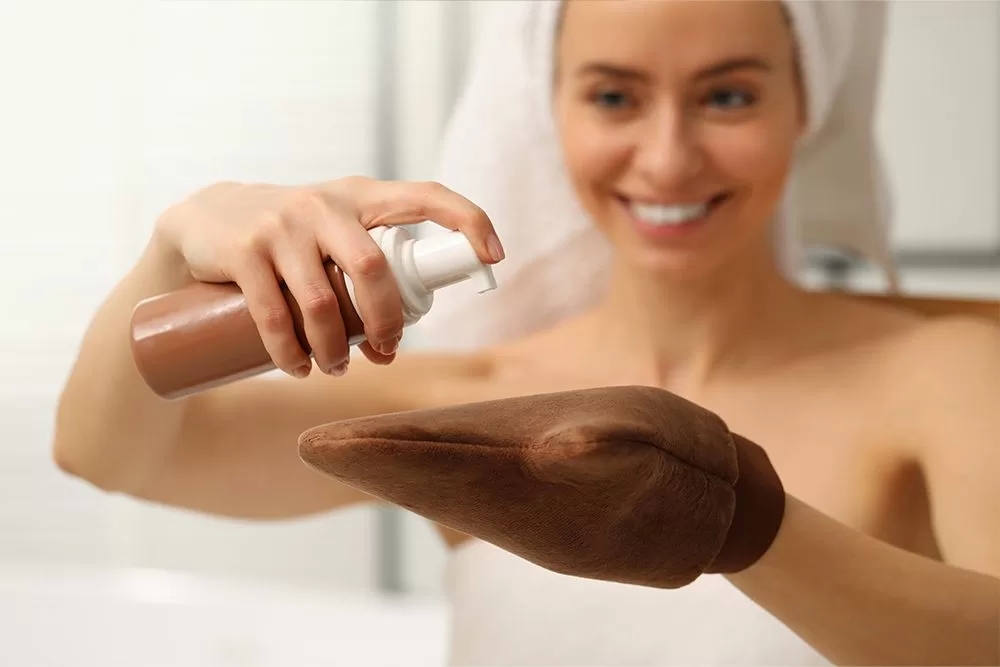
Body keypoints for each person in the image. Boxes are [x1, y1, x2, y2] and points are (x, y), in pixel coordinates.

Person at [53, 0, 999, 665]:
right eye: (614, 97)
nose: (667, 157)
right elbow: (110, 452)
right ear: (552, 109)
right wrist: (178, 243)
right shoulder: (476, 404)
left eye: (728, 96)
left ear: (807, 103)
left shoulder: (945, 372)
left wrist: (745, 524)